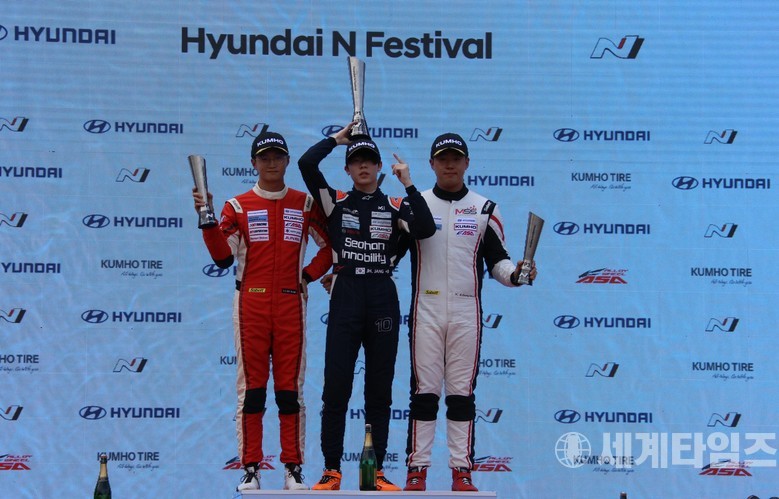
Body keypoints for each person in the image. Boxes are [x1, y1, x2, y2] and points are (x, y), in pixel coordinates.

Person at [298, 123, 436, 491]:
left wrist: (409, 184)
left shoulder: (396, 205)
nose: (362, 166)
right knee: (336, 387)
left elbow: (425, 229)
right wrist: (336, 139)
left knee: (379, 389)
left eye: (369, 161)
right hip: (346, 293)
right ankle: (331, 470)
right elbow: (307, 164)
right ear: (347, 169)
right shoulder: (335, 201)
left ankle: (373, 472)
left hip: (381, 295)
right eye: (356, 161)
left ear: (378, 167)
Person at [193, 131, 332, 492]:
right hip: (251, 304)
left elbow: (331, 247)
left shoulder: (304, 203)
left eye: (277, 157)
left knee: (290, 391)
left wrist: (308, 275)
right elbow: (222, 258)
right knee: (253, 391)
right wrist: (207, 219)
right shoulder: (237, 206)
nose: (271, 163)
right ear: (253, 163)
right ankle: (251, 467)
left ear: (287, 161)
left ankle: (293, 468)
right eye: (264, 157)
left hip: (290, 304)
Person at [402, 133, 538, 492]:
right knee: (424, 393)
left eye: (456, 158)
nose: (449, 165)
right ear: (432, 164)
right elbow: (390, 252)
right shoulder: (416, 204)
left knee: (461, 394)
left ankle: (461, 470)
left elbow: (498, 262)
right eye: (443, 158)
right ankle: (417, 468)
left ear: (467, 163)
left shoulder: (484, 208)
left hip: (466, 311)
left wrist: (517, 275)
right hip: (426, 309)